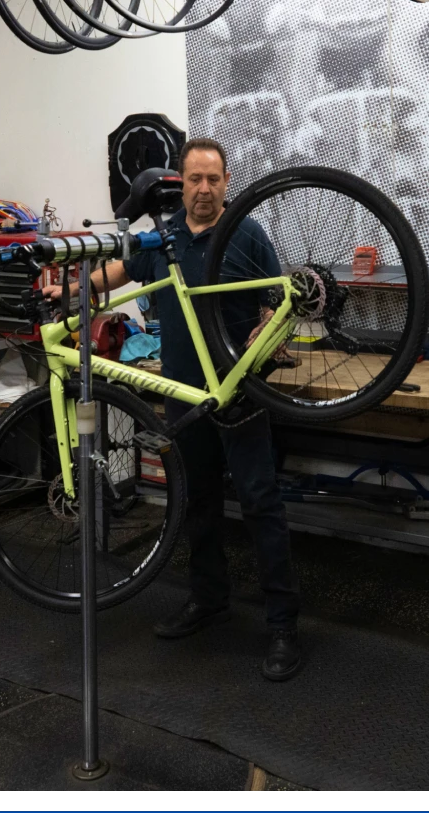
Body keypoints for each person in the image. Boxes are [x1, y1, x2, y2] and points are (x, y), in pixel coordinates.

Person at [43, 138, 302, 681]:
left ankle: (283, 626)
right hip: (183, 391)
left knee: (260, 504)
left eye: (213, 179)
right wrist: (66, 291)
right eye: (194, 179)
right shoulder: (163, 238)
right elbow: (110, 276)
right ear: (179, 184)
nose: (204, 189)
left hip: (239, 390)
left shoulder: (247, 234)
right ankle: (208, 600)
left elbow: (279, 302)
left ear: (227, 183)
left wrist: (270, 331)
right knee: (196, 501)